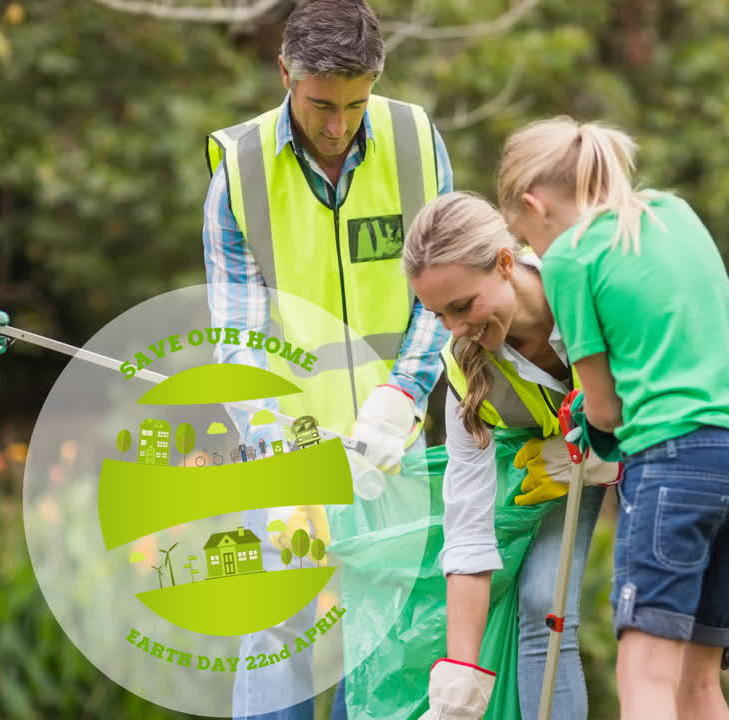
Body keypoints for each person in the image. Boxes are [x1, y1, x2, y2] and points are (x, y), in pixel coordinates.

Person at [200, 1, 452, 718]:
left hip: (391, 452)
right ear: (285, 73)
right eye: (320, 105)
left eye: (354, 103)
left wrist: (402, 398)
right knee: (280, 638)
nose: (338, 126)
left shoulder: (415, 141)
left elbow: (444, 290)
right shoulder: (240, 172)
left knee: (379, 654)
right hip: (286, 451)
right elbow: (240, 333)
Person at [495, 116, 729, 720]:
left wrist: (589, 435)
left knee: (645, 678)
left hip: (676, 462)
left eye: (527, 239)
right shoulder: (674, 213)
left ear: (533, 204)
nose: (536, 256)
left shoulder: (569, 256)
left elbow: (605, 409)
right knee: (699, 685)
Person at [403, 192, 618, 720]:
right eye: (438, 314)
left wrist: (598, 455)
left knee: (647, 617)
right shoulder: (463, 370)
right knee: (541, 607)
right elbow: (469, 528)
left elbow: (670, 407)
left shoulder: (589, 288)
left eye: (463, 306)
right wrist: (460, 681)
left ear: (504, 262)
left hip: (655, 458)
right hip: (564, 472)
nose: (455, 330)